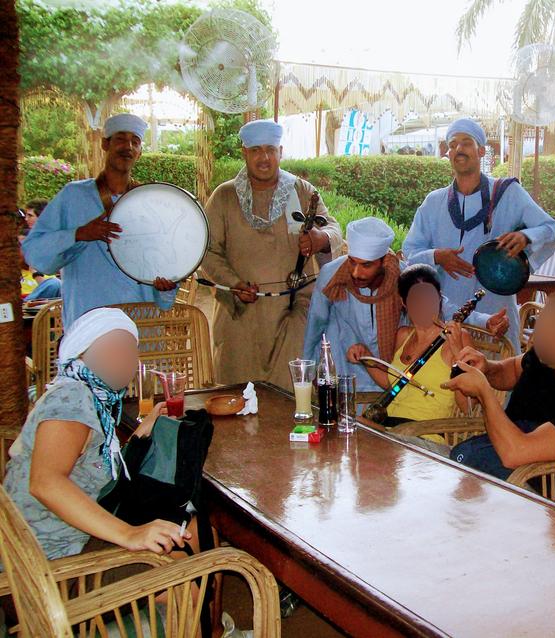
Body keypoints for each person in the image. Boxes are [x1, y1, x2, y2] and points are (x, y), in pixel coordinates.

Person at [3, 308, 190, 560]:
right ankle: (166, 597)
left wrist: (139, 434)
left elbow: (88, 465)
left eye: (130, 349)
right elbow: (45, 482)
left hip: (64, 535)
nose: (124, 358)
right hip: (50, 556)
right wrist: (129, 534)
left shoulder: (91, 396)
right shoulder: (73, 397)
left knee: (185, 527)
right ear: (81, 352)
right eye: (112, 348)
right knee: (185, 543)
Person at [201, 119, 342, 389]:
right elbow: (208, 251)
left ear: (280, 152)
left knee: (293, 394)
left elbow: (333, 229)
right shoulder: (224, 196)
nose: (264, 157)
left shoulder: (301, 191)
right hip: (240, 314)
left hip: (293, 313)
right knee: (239, 398)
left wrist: (319, 238)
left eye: (270, 149)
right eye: (256, 150)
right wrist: (233, 283)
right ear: (245, 153)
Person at [403, 118, 555, 352]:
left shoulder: (509, 193)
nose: (458, 149)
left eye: (466, 142)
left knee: (496, 380)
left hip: (495, 313)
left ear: (481, 150)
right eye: (453, 144)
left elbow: (551, 228)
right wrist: (436, 256)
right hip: (446, 314)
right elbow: (410, 253)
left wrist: (526, 237)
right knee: (447, 383)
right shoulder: (433, 202)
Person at [303, 217, 508, 392]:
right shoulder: (332, 275)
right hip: (345, 368)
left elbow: (440, 306)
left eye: (366, 265)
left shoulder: (401, 275)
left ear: (384, 261)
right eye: (352, 262)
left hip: (388, 373)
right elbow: (315, 323)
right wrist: (308, 372)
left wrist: (485, 320)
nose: (356, 272)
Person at [442, 290, 555, 481]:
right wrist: (486, 367)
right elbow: (510, 371)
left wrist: (484, 392)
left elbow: (515, 453)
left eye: (546, 334)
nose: (535, 339)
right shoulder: (544, 360)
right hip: (487, 474)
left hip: (529, 495)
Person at [22, 113, 177, 327]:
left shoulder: (148, 202)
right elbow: (35, 254)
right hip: (88, 323)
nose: (128, 147)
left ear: (140, 152)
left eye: (135, 141)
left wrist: (165, 289)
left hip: (141, 325)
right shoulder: (73, 195)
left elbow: (161, 265)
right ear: (105, 144)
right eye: (121, 139)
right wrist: (78, 234)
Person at [347, 264, 473, 428]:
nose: (424, 305)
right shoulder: (403, 335)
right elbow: (392, 383)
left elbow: (466, 406)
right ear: (404, 302)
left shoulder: (458, 338)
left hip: (422, 433)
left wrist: (458, 354)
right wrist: (365, 356)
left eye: (429, 298)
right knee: (343, 425)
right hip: (388, 425)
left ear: (439, 299)